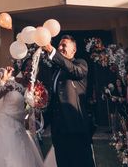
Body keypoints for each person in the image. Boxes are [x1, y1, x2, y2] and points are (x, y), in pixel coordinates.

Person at [42, 35, 94, 167]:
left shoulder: (81, 64)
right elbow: (54, 101)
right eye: (59, 45)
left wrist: (52, 51)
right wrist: (41, 122)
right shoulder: (55, 72)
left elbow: (73, 70)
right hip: (59, 131)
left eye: (64, 45)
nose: (60, 47)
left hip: (76, 128)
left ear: (74, 50)